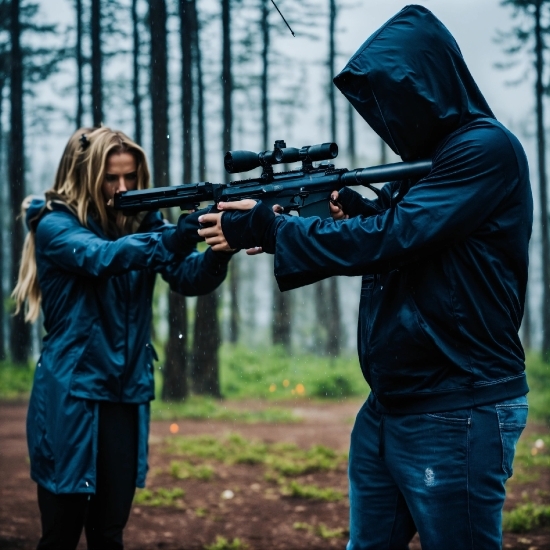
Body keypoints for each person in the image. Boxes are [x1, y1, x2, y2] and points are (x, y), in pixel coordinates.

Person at [197, 5, 533, 549]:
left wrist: (274, 228)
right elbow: (399, 241)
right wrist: (333, 214)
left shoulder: (483, 149)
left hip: (457, 403)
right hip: (392, 402)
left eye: (394, 96)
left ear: (427, 84)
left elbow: (396, 236)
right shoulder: (429, 163)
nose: (386, 113)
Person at [13, 126, 232, 550]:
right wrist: (177, 234)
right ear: (86, 176)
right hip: (72, 393)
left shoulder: (144, 221)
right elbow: (101, 257)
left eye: (131, 177)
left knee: (109, 532)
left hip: (127, 390)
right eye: (111, 178)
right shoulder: (54, 225)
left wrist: (219, 247)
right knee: (60, 534)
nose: (122, 188)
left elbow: (187, 277)